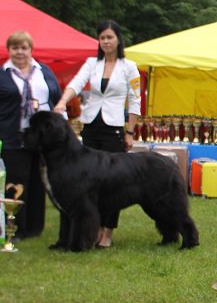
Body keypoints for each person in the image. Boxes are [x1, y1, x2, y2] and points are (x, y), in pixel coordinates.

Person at [53, 21, 141, 249]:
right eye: (102, 38)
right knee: (88, 182)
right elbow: (76, 83)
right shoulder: (91, 63)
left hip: (113, 128)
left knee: (113, 182)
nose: (106, 42)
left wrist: (129, 131)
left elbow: (135, 100)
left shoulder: (129, 67)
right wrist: (63, 102)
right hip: (91, 126)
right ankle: (90, 228)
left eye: (110, 37)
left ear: (118, 39)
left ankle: (107, 232)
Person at [0, 31, 63, 241]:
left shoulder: (43, 71)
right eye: (15, 48)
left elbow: (56, 96)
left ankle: (35, 227)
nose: (20, 52)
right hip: (14, 136)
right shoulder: (3, 74)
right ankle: (16, 227)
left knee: (38, 181)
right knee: (18, 181)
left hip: (42, 138)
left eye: (24, 48)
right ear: (8, 51)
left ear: (31, 50)